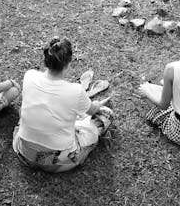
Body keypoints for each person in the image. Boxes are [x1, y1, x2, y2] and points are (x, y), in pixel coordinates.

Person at [12, 37, 113, 173]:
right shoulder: (75, 90)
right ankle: (78, 127)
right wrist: (95, 103)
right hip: (57, 162)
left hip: (24, 153)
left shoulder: (29, 75)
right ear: (68, 64)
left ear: (46, 59)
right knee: (106, 114)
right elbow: (92, 110)